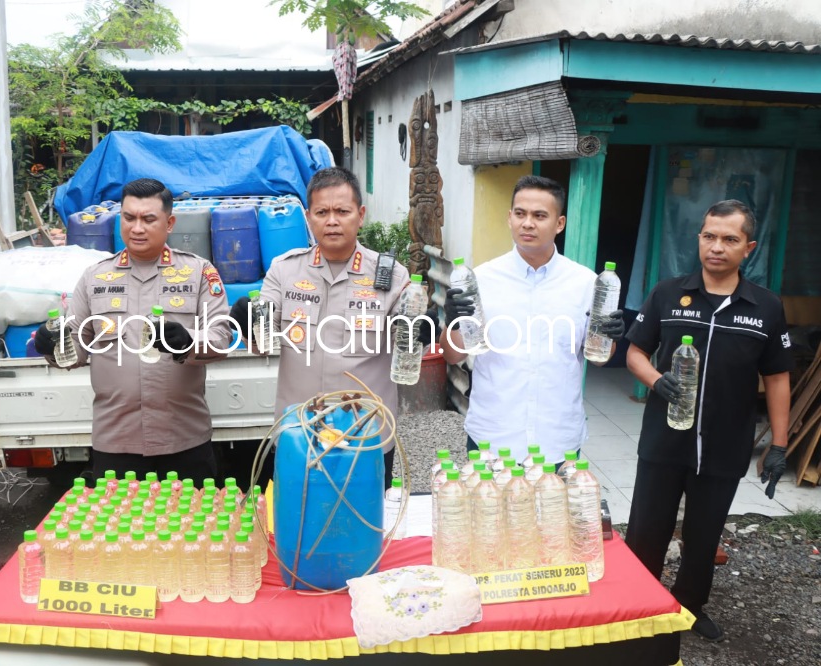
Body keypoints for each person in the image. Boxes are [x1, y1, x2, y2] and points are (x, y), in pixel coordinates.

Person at [624, 199, 792, 642]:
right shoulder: (667, 293)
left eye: (729, 239)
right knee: (646, 529)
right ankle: (639, 608)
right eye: (709, 236)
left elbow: (776, 377)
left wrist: (779, 444)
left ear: (748, 247)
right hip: (664, 441)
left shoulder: (765, 308)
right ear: (699, 239)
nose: (717, 247)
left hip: (724, 445)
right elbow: (635, 350)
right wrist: (655, 380)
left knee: (703, 536)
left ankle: (689, 606)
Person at [229, 167, 437, 489]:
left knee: (364, 531)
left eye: (342, 211)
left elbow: (409, 345)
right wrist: (247, 322)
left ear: (360, 214)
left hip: (367, 436)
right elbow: (262, 341)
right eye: (322, 212)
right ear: (309, 217)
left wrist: (422, 330)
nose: (332, 221)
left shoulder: (391, 276)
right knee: (296, 528)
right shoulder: (284, 271)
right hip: (299, 435)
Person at [35, 178, 232, 482]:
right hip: (116, 440)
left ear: (170, 223)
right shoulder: (95, 277)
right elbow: (75, 349)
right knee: (120, 529)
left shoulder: (198, 272)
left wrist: (190, 342)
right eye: (129, 218)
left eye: (148, 219)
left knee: (192, 527)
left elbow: (221, 336)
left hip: (184, 439)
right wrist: (53, 347)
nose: (137, 228)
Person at [440, 175, 625, 466]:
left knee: (552, 512)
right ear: (509, 218)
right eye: (520, 214)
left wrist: (612, 337)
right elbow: (453, 356)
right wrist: (452, 323)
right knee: (490, 512)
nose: (528, 223)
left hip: (557, 439)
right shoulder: (481, 280)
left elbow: (599, 358)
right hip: (493, 435)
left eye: (540, 215)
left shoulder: (586, 284)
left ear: (559, 223)